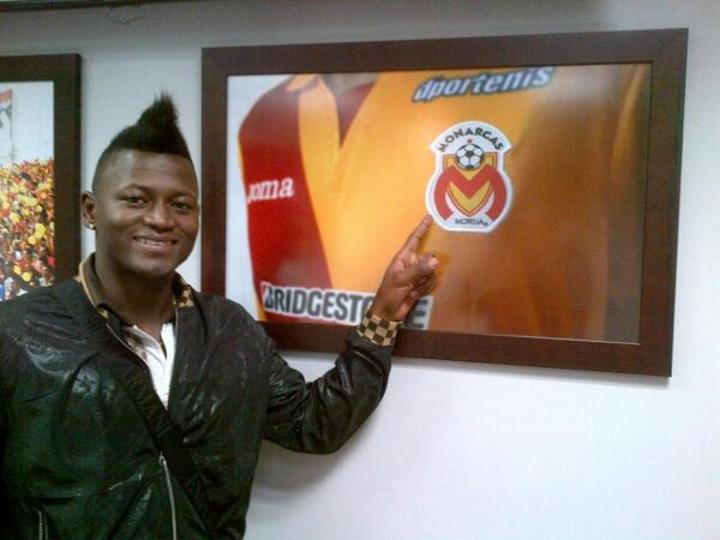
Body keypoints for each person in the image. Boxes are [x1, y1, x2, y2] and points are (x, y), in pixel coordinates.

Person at [0, 95, 438, 538]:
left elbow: (315, 423)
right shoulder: (18, 334)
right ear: (91, 210)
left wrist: (384, 314)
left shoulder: (230, 330)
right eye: (135, 199)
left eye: (180, 205)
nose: (160, 219)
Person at [238, 64, 650, 342]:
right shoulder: (264, 117)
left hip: (521, 404)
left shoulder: (588, 81)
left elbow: (631, 303)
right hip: (345, 405)